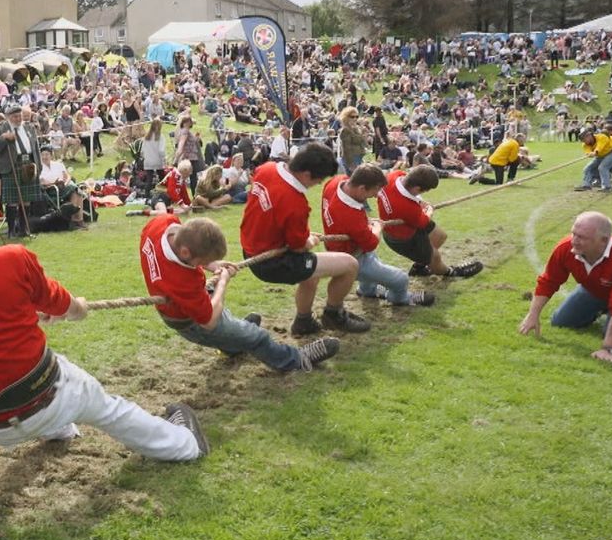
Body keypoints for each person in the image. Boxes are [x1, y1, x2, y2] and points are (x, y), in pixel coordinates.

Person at [0, 187, 208, 461]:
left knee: (26, 377)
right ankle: (185, 445)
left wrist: (21, 313)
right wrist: (79, 308)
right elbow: (62, 305)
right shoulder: (10, 259)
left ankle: (59, 431)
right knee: (107, 407)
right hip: (48, 397)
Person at [140, 213, 339, 371]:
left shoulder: (161, 224)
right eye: (200, 262)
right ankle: (295, 360)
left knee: (233, 327)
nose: (202, 266)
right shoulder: (180, 280)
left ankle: (233, 343)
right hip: (192, 322)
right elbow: (208, 320)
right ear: (185, 252)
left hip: (189, 305)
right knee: (256, 336)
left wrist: (212, 264)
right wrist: (223, 282)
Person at [238, 143, 371, 337]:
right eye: (318, 181)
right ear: (307, 174)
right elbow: (299, 247)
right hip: (272, 261)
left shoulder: (267, 169)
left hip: (250, 248)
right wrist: (308, 241)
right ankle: (333, 315)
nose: (316, 185)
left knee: (312, 272)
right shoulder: (295, 202)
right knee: (350, 264)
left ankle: (303, 321)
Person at [519, 211, 612, 362]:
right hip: (594, 287)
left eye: (582, 237)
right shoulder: (565, 248)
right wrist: (533, 315)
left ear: (603, 241)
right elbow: (548, 281)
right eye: (574, 234)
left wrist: (608, 349)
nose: (574, 241)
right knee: (561, 322)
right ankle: (602, 307)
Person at [321, 165, 435, 307]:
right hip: (352, 258)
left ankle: (367, 290)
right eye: (375, 191)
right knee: (401, 278)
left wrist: (365, 225)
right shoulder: (350, 215)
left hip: (346, 247)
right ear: (362, 188)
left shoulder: (336, 181)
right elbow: (371, 243)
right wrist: (377, 227)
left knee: (372, 261)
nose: (376, 195)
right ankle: (401, 298)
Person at [376, 164, 484, 278]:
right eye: (425, 191)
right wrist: (429, 210)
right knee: (434, 257)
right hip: (401, 238)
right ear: (417, 188)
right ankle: (451, 272)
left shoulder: (394, 175)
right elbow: (424, 221)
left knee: (440, 236)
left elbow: (409, 201)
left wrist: (421, 202)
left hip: (408, 223)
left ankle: (419, 268)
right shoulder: (407, 207)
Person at [0, 104, 42, 238]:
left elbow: (36, 148)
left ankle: (24, 230)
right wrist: (4, 138)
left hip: (28, 165)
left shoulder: (29, 127)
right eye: (14, 116)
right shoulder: (0, 128)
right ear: (8, 117)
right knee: (12, 201)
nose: (18, 119)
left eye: (19, 116)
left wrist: (39, 165)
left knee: (26, 199)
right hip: (11, 167)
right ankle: (11, 231)